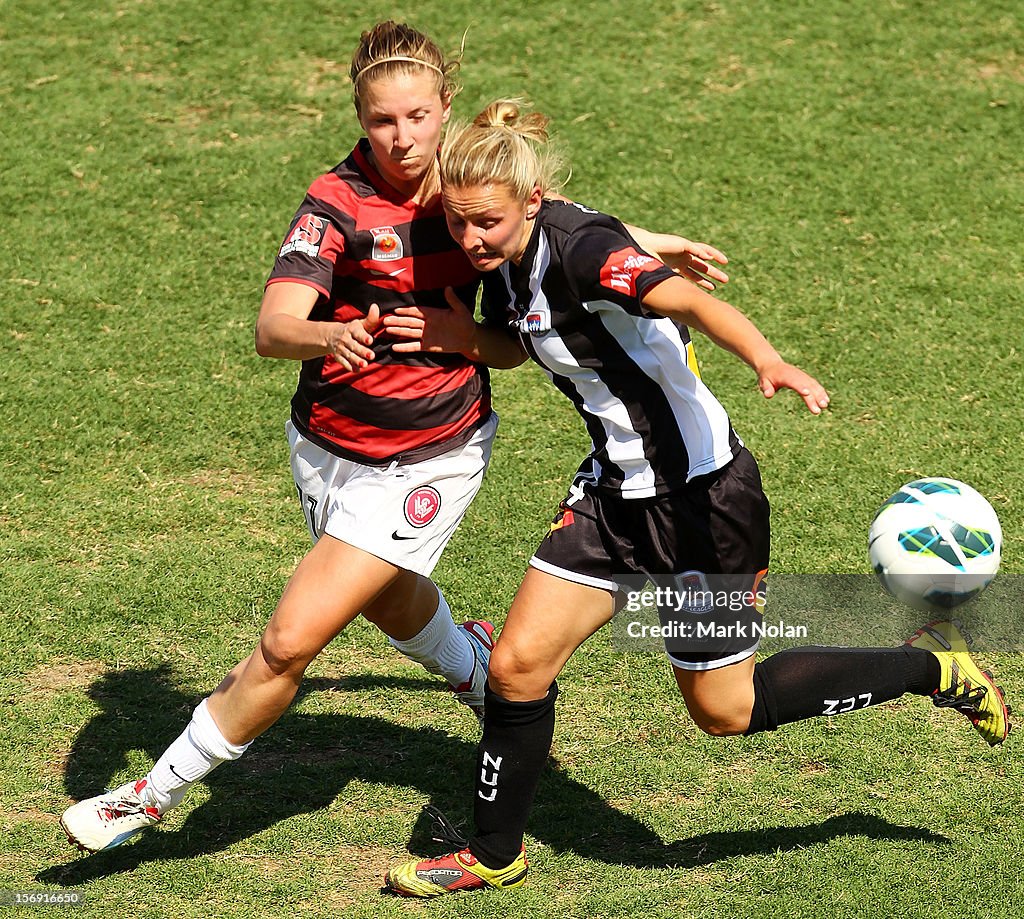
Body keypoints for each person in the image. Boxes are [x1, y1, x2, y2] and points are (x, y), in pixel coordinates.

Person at [58, 25, 730, 855]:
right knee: (386, 597)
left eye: (418, 116)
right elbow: (274, 327)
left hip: (432, 453)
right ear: (359, 116)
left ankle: (146, 797)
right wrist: (326, 337)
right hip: (327, 443)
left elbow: (542, 278)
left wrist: (464, 335)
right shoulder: (334, 202)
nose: (403, 137)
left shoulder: (471, 189)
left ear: (447, 107)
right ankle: (479, 670)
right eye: (383, 120)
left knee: (289, 640)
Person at [381, 99, 1012, 897]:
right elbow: (529, 333)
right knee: (515, 664)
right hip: (612, 497)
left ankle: (931, 667)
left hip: (703, 508)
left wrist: (766, 357)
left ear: (531, 203)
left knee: (723, 708)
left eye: (487, 224)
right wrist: (467, 338)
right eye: (459, 222)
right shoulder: (505, 257)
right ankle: (495, 853)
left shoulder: (582, 252)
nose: (469, 240)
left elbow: (689, 302)